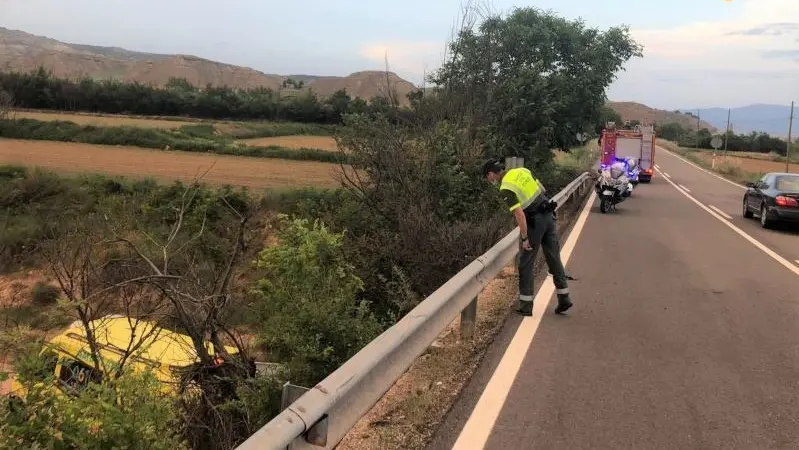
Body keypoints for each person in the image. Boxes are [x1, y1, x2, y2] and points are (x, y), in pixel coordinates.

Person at [482, 159, 573, 316]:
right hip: (548, 215)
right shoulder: (522, 171)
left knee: (525, 263)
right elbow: (541, 189)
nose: (489, 181)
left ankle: (526, 305)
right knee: (553, 258)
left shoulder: (505, 188)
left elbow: (519, 215)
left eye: (487, 177)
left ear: (491, 174)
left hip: (534, 222)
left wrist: (525, 238)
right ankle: (564, 298)